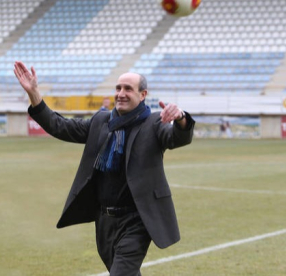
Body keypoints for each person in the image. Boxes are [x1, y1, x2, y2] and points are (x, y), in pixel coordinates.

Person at [14, 61, 196, 275]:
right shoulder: (101, 121)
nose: (121, 93)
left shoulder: (154, 123)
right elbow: (59, 126)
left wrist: (181, 118)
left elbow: (176, 137)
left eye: (128, 88)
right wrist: (35, 94)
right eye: (118, 88)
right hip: (104, 221)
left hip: (137, 220)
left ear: (143, 94)